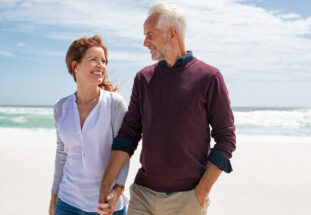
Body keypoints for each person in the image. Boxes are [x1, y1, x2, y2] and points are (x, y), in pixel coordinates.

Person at [98, 2, 236, 215]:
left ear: (172, 34)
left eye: (150, 35)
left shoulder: (209, 77)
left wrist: (201, 191)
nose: (145, 42)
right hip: (142, 195)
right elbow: (128, 135)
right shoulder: (143, 78)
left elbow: (226, 139)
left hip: (187, 199)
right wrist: (106, 184)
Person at [48, 35, 130, 215]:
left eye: (104, 61)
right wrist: (54, 196)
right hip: (67, 201)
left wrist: (117, 191)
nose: (101, 65)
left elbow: (123, 152)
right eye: (94, 59)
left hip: (106, 204)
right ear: (75, 65)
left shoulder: (115, 103)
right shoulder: (61, 107)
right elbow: (62, 153)